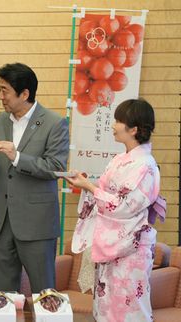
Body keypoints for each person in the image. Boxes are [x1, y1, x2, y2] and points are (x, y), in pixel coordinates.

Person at [66, 98, 162, 322]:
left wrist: (89, 187)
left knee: (128, 309)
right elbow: (106, 191)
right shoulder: (120, 159)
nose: (113, 125)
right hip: (110, 245)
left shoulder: (146, 165)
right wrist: (87, 183)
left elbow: (124, 205)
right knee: (106, 306)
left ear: (134, 129)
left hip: (130, 249)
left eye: (119, 121)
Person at [0, 62, 69, 293]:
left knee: (44, 294)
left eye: (4, 91)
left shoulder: (54, 123)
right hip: (1, 223)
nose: (0, 96)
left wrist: (17, 156)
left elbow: (56, 168)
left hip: (36, 223)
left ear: (25, 94)